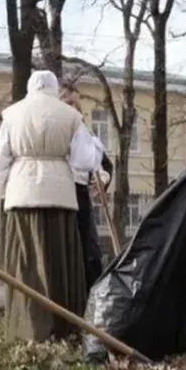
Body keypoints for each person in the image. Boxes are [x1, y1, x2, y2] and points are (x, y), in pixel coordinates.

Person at [0, 70, 104, 343]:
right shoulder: (70, 116)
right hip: (60, 195)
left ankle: (26, 325)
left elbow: (0, 161)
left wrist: (4, 189)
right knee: (57, 260)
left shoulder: (11, 115)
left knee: (26, 261)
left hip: (21, 194)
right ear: (55, 88)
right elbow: (82, 160)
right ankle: (61, 325)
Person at [60, 82, 111, 290]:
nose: (74, 109)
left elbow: (102, 164)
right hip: (61, 193)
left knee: (91, 254)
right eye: (69, 103)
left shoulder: (85, 133)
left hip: (81, 194)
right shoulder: (56, 131)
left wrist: (103, 179)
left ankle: (92, 300)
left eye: (77, 104)